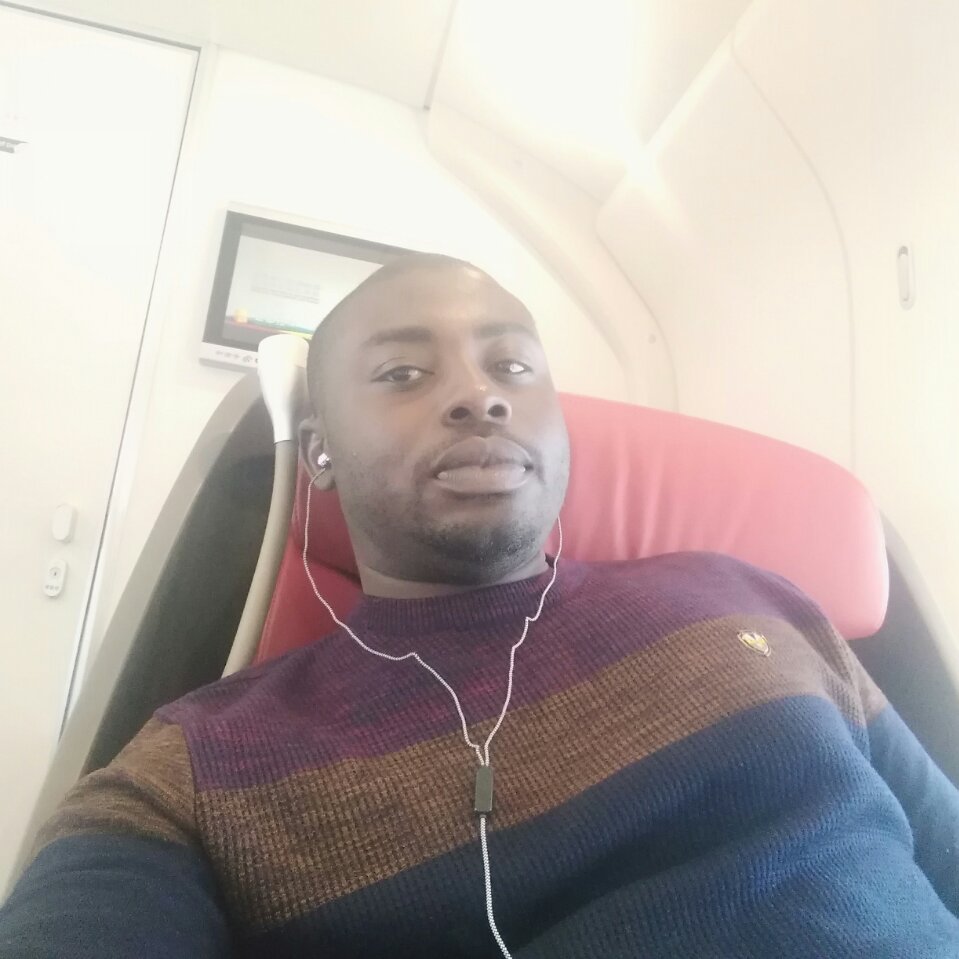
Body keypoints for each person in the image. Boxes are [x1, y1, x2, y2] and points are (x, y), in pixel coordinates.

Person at [2, 254, 957, 958]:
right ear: (320, 449)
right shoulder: (199, 768)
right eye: (403, 374)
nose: (478, 397)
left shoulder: (751, 596)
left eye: (512, 367)